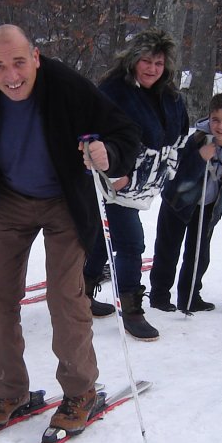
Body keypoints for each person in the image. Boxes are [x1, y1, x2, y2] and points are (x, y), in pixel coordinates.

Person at [0, 24, 139, 439]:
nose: (11, 75)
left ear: (35, 56)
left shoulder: (67, 85)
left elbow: (124, 131)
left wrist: (111, 153)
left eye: (19, 62)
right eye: (0, 66)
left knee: (63, 295)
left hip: (65, 202)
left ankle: (80, 391)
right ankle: (10, 392)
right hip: (12, 197)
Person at [82, 29, 189, 341]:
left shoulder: (169, 95)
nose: (152, 68)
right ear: (132, 61)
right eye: (146, 61)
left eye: (158, 62)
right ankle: (131, 308)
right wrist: (115, 172)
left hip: (144, 184)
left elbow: (179, 135)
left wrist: (170, 167)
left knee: (105, 239)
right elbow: (93, 136)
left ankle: (82, 293)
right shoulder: (113, 91)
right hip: (111, 182)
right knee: (131, 243)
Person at [152, 92, 222, 314]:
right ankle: (159, 297)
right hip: (177, 203)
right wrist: (198, 158)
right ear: (209, 118)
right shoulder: (195, 140)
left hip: (209, 207)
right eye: (215, 120)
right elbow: (174, 176)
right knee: (168, 249)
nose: (220, 126)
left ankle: (190, 297)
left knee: (199, 253)